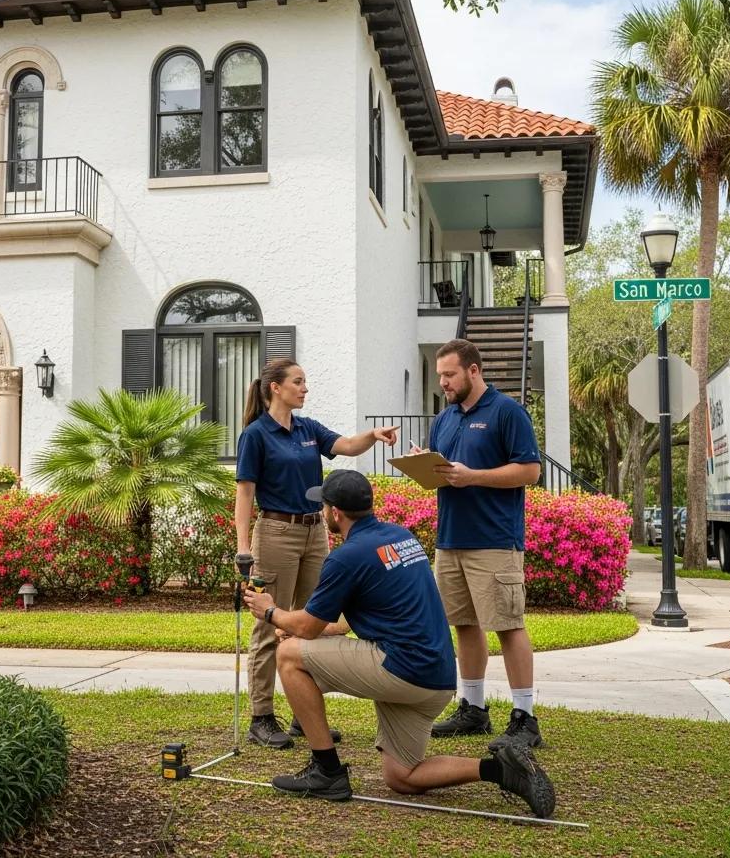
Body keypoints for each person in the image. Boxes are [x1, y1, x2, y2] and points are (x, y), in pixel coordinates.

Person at [243, 469, 555, 818]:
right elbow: (341, 621)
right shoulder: (398, 537)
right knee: (401, 776)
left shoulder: (347, 556)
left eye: (325, 506)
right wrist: (296, 625)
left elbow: (310, 627)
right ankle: (500, 770)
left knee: (288, 655)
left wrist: (270, 612)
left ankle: (326, 771)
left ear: (335, 513)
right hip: (436, 680)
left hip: (403, 670)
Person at [234, 358, 398, 749]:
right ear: (275, 387)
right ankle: (261, 717)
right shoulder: (256, 435)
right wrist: (243, 546)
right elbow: (244, 493)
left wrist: (373, 435)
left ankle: (302, 716)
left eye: (305, 382)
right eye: (298, 382)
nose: (305, 388)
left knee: (313, 622)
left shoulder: (308, 428)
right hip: (276, 531)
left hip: (315, 531)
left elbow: (344, 445)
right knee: (267, 624)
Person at [422, 338, 544, 750]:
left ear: (473, 371)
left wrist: (473, 475)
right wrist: (426, 465)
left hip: (494, 540)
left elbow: (529, 471)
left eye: (450, 374)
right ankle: (473, 709)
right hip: (450, 538)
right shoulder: (445, 418)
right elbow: (446, 473)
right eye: (440, 375)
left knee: (508, 625)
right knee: (464, 624)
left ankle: (525, 717)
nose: (444, 382)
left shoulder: (508, 412)